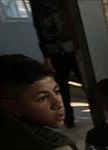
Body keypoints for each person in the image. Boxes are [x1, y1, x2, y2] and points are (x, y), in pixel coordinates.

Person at [29, 0, 80, 128]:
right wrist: (46, 56)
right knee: (61, 88)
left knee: (88, 84)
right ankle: (69, 120)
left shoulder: (64, 3)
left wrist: (79, 48)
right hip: (55, 53)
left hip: (72, 50)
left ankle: (100, 114)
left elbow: (74, 22)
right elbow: (39, 31)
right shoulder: (37, 4)